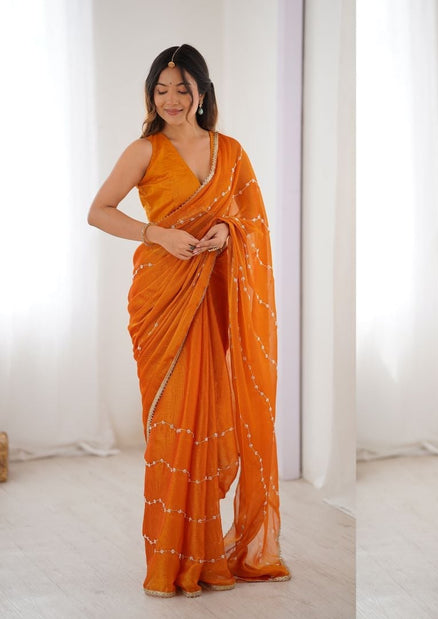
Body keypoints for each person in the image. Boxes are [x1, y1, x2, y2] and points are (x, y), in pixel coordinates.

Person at [87, 44, 290, 598]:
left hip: (212, 297)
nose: (172, 99)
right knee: (174, 426)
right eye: (162, 89)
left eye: (183, 88)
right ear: (151, 95)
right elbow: (98, 210)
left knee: (205, 422)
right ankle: (168, 563)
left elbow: (252, 222)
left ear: (202, 90)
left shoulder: (231, 151)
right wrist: (157, 233)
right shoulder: (145, 150)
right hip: (162, 298)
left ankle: (204, 561)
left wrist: (227, 232)